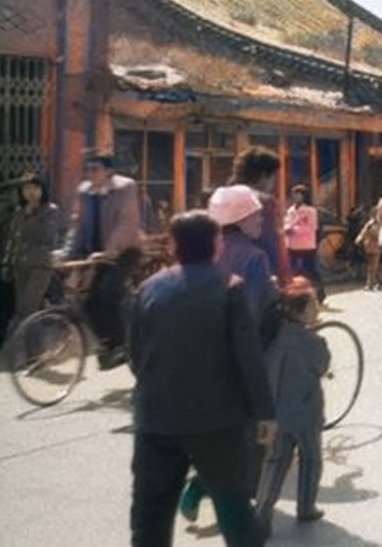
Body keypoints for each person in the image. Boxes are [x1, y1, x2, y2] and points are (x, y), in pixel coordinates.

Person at [128, 211, 276, 547]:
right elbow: (248, 357)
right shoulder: (229, 287)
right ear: (216, 245)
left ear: (174, 246)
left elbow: (136, 355)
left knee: (150, 514)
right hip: (217, 420)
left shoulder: (148, 289)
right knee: (233, 505)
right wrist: (264, 412)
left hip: (155, 418)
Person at [255, 278, 329, 530]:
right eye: (314, 305)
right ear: (303, 310)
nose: (317, 309)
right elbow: (322, 366)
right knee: (311, 459)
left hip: (278, 411)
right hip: (306, 411)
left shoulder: (274, 336)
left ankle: (262, 512)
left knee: (276, 462)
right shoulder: (313, 343)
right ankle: (306, 507)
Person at [65, 150, 145, 368]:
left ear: (109, 171)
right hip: (97, 254)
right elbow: (77, 224)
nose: (89, 174)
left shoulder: (125, 187)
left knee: (108, 292)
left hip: (125, 250)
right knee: (88, 301)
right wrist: (66, 252)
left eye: (95, 169)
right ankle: (108, 344)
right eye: (87, 170)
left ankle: (121, 344)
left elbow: (126, 222)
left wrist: (111, 250)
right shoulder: (85, 191)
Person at [0, 173, 60, 347]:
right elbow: (12, 239)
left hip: (39, 266)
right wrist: (7, 262)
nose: (31, 192)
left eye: (35, 188)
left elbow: (47, 237)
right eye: (27, 189)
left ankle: (17, 348)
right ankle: (36, 349)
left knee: (26, 309)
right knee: (29, 308)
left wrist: (32, 215)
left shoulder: (50, 210)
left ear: (42, 190)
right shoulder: (19, 211)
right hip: (20, 266)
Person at [208, 185, 277, 331]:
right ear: (240, 219)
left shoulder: (202, 250)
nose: (261, 220)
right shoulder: (254, 256)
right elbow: (252, 313)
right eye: (257, 215)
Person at [231, 147, 288, 281]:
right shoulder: (264, 201)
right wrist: (283, 276)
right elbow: (271, 242)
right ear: (263, 175)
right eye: (273, 177)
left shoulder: (222, 196)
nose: (273, 183)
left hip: (226, 272)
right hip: (258, 270)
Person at [282, 185, 321, 300]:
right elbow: (287, 223)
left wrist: (295, 230)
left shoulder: (310, 211)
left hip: (307, 245)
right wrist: (286, 228)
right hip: (292, 245)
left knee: (310, 270)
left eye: (298, 195)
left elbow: (312, 227)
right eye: (294, 194)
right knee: (293, 271)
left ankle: (318, 294)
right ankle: (296, 294)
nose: (296, 197)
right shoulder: (290, 210)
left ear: (304, 196)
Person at [354, 213, 382, 291]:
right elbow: (363, 232)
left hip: (376, 247)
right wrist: (359, 238)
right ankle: (380, 281)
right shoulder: (369, 224)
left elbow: (378, 235)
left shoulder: (378, 224)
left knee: (372, 266)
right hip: (369, 246)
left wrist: (370, 230)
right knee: (373, 265)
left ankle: (370, 284)